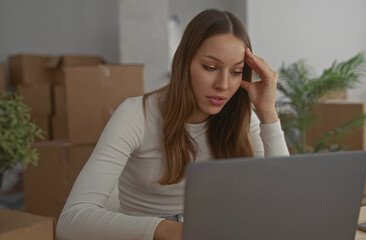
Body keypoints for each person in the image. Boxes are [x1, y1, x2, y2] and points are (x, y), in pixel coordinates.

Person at [56, 8, 290, 240]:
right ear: (184, 62)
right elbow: (71, 220)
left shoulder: (241, 118)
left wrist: (268, 112)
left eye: (236, 71)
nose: (223, 84)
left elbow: (285, 204)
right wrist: (168, 230)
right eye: (210, 68)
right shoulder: (136, 114)